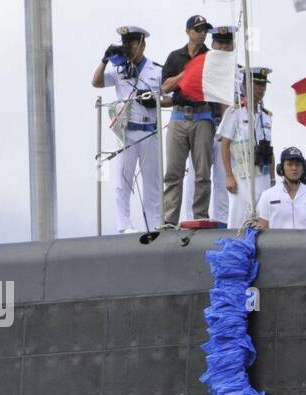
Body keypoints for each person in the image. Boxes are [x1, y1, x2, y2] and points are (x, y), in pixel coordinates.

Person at [92, 26, 163, 234]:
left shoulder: (155, 70)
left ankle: (154, 223)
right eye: (126, 44)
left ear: (142, 44)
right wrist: (105, 60)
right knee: (123, 180)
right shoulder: (118, 69)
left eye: (132, 43)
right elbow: (96, 82)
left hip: (149, 129)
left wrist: (156, 101)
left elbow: (170, 97)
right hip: (126, 132)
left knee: (152, 183)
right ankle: (124, 224)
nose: (129, 48)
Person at [160, 15, 215, 226]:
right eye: (198, 29)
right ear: (188, 31)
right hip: (179, 115)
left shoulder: (210, 57)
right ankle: (169, 219)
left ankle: (200, 217)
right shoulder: (175, 57)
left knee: (202, 172)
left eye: (204, 30)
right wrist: (187, 73)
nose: (201, 33)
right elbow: (165, 87)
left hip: (202, 115)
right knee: (173, 171)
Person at [216, 68, 275, 228]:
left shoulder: (266, 115)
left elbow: (269, 148)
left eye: (263, 86)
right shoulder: (235, 112)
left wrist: (272, 177)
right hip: (242, 175)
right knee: (238, 217)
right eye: (257, 85)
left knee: (262, 217)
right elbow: (225, 143)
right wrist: (228, 175)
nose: (260, 89)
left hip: (262, 174)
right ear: (246, 85)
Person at [256, 146, 306, 230]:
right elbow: (262, 229)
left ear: (303, 169)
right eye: (289, 164)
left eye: (298, 165)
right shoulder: (267, 195)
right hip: (276, 243)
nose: (294, 168)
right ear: (281, 168)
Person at [207, 24, 237, 223]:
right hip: (204, 125)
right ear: (213, 44)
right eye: (220, 43)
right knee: (197, 176)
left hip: (228, 130)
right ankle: (194, 219)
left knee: (224, 176)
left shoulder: (240, 73)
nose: (224, 47)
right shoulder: (203, 68)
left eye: (227, 44)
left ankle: (223, 220)